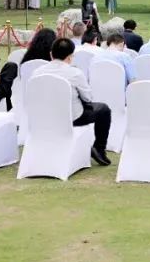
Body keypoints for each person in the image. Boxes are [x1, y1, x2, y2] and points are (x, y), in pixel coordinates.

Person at [34, 38, 111, 166]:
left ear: (51, 54)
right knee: (104, 109)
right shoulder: (75, 73)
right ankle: (99, 148)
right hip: (72, 117)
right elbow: (88, 98)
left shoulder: (37, 72)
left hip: (44, 117)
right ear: (70, 57)